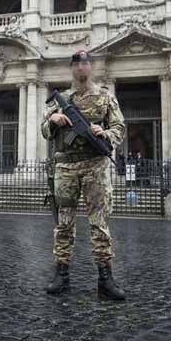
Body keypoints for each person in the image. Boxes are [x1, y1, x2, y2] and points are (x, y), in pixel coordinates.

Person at [41, 50, 127, 301]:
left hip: (95, 166)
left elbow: (119, 127)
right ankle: (61, 274)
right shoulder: (61, 100)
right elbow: (45, 132)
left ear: (92, 67)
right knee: (63, 223)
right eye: (77, 63)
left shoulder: (105, 97)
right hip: (66, 167)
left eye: (85, 63)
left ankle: (105, 278)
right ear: (72, 68)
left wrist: (105, 134)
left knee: (99, 224)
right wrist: (54, 120)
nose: (81, 67)